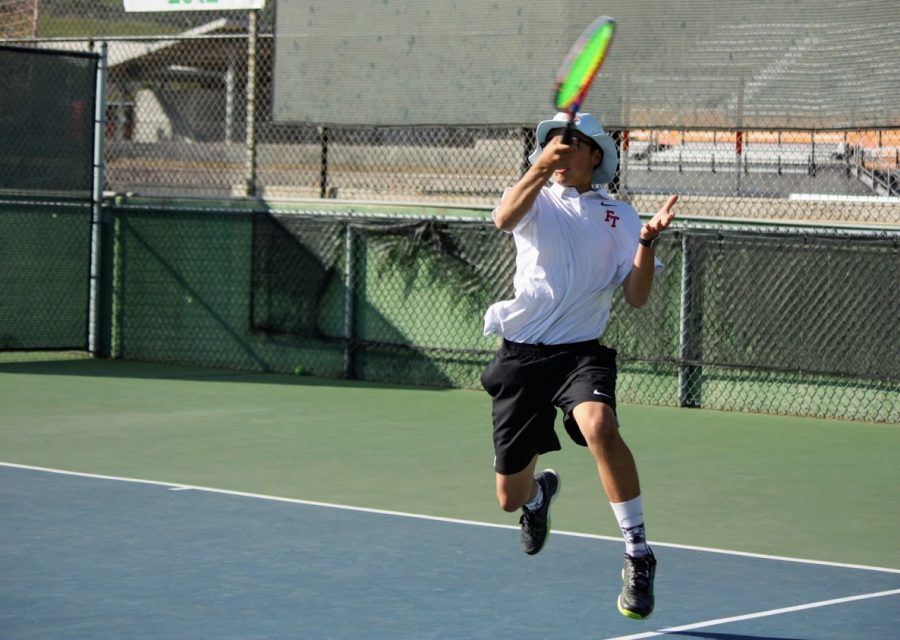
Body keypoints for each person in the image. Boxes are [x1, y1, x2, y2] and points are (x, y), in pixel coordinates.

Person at [480, 111, 677, 620]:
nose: (561, 152)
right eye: (553, 144)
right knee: (508, 498)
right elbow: (503, 219)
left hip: (580, 353)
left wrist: (646, 243)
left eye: (571, 145)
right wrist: (539, 168)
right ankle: (536, 497)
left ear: (596, 156)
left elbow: (635, 297)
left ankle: (637, 552)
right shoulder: (533, 197)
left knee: (600, 426)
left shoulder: (619, 217)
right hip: (521, 354)